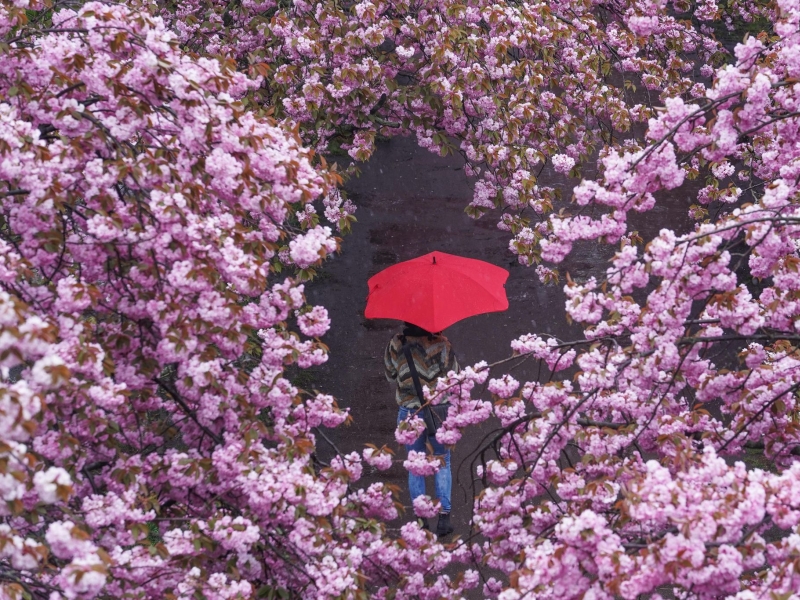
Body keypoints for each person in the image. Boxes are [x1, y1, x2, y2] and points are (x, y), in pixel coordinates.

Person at [385, 321, 459, 537]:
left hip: (409, 411)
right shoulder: (442, 344)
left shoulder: (397, 343)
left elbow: (390, 374)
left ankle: (421, 518)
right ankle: (444, 517)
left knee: (415, 463)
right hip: (438, 410)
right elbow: (454, 376)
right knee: (441, 459)